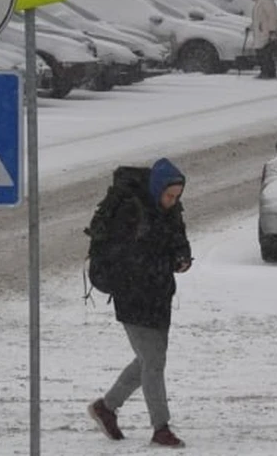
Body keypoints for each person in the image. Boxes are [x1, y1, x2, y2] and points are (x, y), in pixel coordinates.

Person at [88, 158, 192, 448]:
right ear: (157, 188)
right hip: (132, 295)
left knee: (147, 360)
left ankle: (106, 408)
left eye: (177, 197)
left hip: (158, 294)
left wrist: (182, 258)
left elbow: (178, 240)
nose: (172, 202)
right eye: (169, 195)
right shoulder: (130, 210)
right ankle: (161, 428)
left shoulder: (170, 211)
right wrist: (158, 261)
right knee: (154, 362)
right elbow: (126, 256)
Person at [248, 0, 277, 79]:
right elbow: (259, 17)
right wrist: (251, 26)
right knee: (263, 53)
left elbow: (272, 16)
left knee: (264, 53)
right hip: (261, 30)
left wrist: (272, 31)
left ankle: (267, 72)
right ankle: (268, 72)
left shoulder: (265, 0)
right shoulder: (260, 0)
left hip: (265, 31)